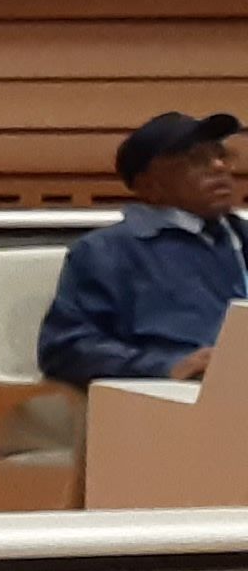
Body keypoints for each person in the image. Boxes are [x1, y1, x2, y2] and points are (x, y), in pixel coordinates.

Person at [42, 110, 245, 389]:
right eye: (197, 159)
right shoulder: (106, 252)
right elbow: (66, 348)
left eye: (222, 155)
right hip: (178, 397)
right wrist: (166, 366)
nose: (219, 166)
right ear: (149, 184)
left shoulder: (240, 238)